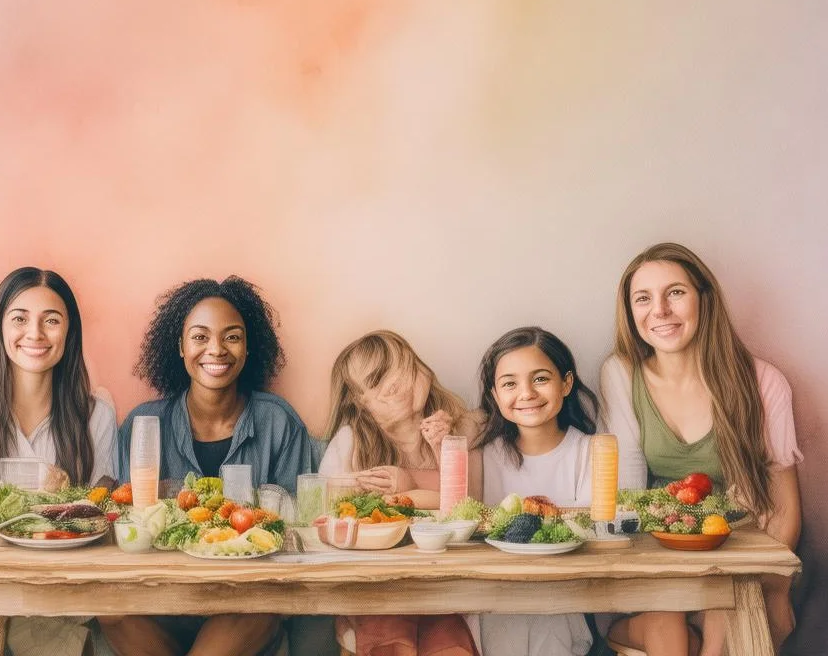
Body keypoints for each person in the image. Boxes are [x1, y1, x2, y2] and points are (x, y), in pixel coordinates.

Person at [601, 242, 803, 656]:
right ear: (631, 312)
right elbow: (628, 495)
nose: (659, 309)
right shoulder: (620, 374)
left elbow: (783, 512)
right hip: (656, 557)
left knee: (730, 616)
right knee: (675, 628)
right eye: (644, 298)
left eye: (675, 292)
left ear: (703, 299)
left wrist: (769, 586)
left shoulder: (764, 384)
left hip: (737, 554)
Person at [101, 275, 319, 656]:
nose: (216, 349)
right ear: (181, 347)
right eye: (200, 337)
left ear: (249, 347)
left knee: (259, 608)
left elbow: (296, 532)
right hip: (159, 600)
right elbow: (128, 527)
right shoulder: (143, 425)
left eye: (232, 336)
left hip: (246, 601)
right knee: (109, 612)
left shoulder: (278, 423)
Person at [0, 266, 118, 656]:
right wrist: (43, 508)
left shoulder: (96, 414)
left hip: (66, 584)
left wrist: (71, 501)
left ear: (70, 333)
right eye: (20, 318)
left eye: (52, 320)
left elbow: (102, 513)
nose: (35, 334)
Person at [321, 329, 480, 656]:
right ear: (359, 403)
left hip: (443, 584)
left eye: (403, 365)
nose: (396, 383)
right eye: (377, 382)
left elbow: (470, 509)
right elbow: (336, 516)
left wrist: (415, 480)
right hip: (378, 587)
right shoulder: (351, 443)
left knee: (449, 645)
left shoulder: (461, 429)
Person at [476, 326, 598, 656]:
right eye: (510, 383)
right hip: (498, 594)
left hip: (564, 595)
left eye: (541, 378)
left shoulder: (589, 450)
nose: (526, 393)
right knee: (505, 619)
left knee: (547, 617)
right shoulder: (487, 455)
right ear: (495, 395)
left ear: (566, 383)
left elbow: (592, 527)